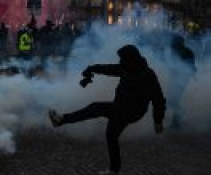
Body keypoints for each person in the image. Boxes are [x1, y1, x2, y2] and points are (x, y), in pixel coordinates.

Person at [48, 45, 166, 175]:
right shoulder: (127, 68)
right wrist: (92, 68)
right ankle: (114, 170)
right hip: (121, 108)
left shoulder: (147, 75)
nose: (120, 61)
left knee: (96, 108)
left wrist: (158, 121)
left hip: (132, 111)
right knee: (111, 136)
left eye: (122, 59)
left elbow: (158, 99)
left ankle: (61, 119)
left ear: (130, 58)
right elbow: (109, 69)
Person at [168, 35, 196, 128]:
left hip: (182, 79)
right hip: (175, 79)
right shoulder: (174, 51)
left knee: (174, 100)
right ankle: (177, 119)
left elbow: (191, 67)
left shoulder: (187, 52)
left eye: (174, 42)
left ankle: (177, 121)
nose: (172, 44)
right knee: (172, 100)